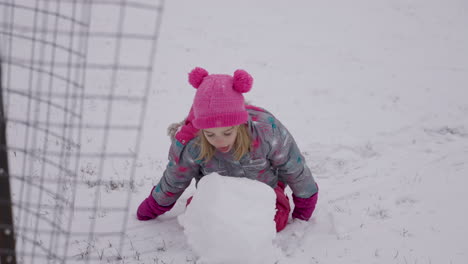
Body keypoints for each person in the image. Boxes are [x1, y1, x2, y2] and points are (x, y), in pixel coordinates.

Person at [136, 67, 319, 232]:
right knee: (204, 224)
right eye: (210, 134)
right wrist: (152, 207)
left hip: (264, 196)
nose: (219, 140)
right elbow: (175, 179)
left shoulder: (265, 131)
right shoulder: (193, 143)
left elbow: (294, 168)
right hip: (217, 201)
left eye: (227, 132)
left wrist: (304, 210)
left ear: (239, 124)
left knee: (269, 223)